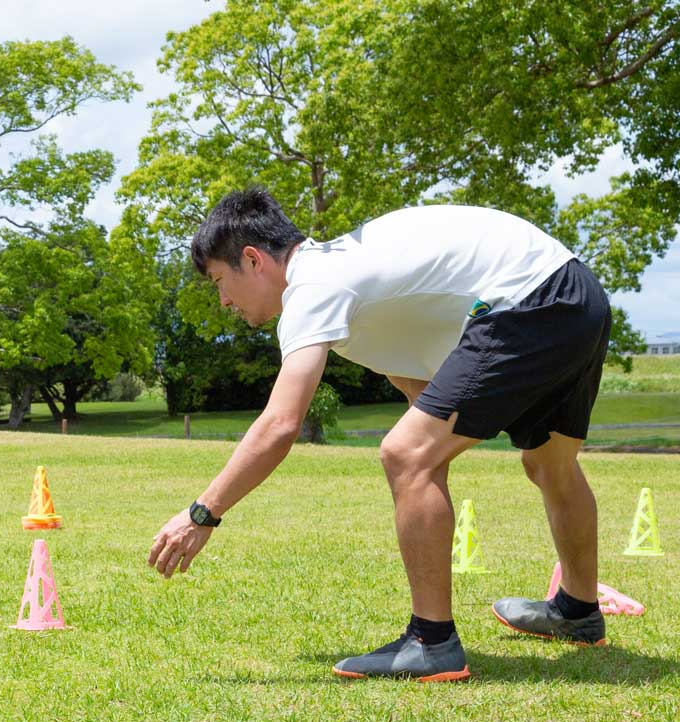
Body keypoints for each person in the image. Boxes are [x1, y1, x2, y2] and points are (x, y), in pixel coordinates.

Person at [148, 187, 611, 681]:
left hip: (529, 301)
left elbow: (281, 423)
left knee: (405, 454)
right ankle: (578, 611)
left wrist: (202, 514)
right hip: (576, 296)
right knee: (548, 463)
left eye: (221, 281)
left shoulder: (313, 286)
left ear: (253, 259)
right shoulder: (350, 275)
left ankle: (431, 643)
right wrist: (430, 459)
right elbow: (419, 383)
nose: (223, 301)